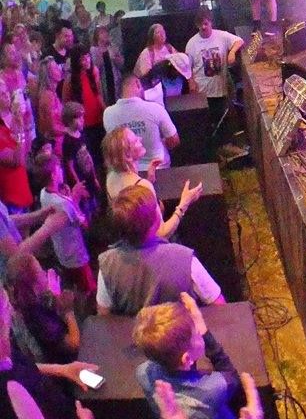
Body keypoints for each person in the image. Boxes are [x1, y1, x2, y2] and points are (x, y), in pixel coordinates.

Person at [97, 184, 222, 316]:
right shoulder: (185, 259)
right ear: (155, 221)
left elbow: (104, 316)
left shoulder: (107, 265)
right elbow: (219, 306)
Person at [134, 293, 240, 419]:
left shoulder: (142, 373)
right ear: (187, 359)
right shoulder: (213, 388)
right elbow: (232, 377)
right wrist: (204, 330)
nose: (200, 332)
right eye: (197, 334)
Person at [0, 287, 99, 419]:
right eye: (8, 307)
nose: (12, 312)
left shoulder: (5, 355)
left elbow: (21, 367)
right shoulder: (13, 391)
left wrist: (63, 369)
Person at [5, 252, 80, 365]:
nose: (45, 273)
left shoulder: (22, 303)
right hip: (64, 364)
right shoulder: (38, 318)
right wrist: (69, 311)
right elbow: (74, 343)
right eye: (41, 273)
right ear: (34, 286)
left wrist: (55, 296)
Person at [36, 155, 95, 297]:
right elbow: (84, 224)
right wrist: (75, 197)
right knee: (88, 287)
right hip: (76, 254)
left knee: (72, 282)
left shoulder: (43, 193)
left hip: (62, 251)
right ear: (53, 175)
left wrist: (68, 196)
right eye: (59, 169)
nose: (61, 171)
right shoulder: (64, 203)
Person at [103, 75, 180, 171]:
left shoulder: (108, 114)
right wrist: (161, 143)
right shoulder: (155, 108)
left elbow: (113, 148)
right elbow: (174, 140)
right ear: (138, 84)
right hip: (159, 169)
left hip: (126, 171)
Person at [185, 8, 243, 132]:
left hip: (220, 89)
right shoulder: (192, 43)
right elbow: (187, 67)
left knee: (222, 121)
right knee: (207, 124)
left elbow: (239, 41)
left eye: (205, 23)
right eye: (200, 24)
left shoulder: (221, 36)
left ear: (211, 22)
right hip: (203, 91)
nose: (203, 27)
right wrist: (191, 82)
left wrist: (232, 52)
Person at [61, 45, 106, 162]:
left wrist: (105, 111)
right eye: (83, 59)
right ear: (77, 61)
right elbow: (66, 104)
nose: (87, 61)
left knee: (101, 152)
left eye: (88, 57)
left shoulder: (94, 71)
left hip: (98, 117)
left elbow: (99, 94)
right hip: (82, 122)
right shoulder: (70, 80)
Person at [0, 83, 32, 213]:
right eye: (2, 94)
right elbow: (16, 161)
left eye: (6, 92)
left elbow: (26, 152)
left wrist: (26, 125)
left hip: (22, 188)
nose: (7, 95)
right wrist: (20, 132)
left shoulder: (12, 121)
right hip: (11, 196)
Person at [135, 23, 176, 104]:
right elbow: (145, 74)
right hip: (153, 89)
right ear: (152, 37)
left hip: (170, 85)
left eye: (163, 31)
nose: (162, 34)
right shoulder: (147, 52)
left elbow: (179, 62)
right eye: (158, 32)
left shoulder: (169, 48)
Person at [35, 58, 67, 157]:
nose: (59, 69)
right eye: (55, 68)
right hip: (55, 145)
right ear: (49, 74)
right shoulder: (48, 96)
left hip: (60, 141)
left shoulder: (52, 93)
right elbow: (51, 128)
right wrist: (69, 130)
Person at [90, 26, 122, 107]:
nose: (105, 34)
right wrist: (103, 55)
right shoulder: (94, 49)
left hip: (115, 79)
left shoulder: (113, 46)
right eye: (102, 33)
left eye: (106, 32)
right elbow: (95, 66)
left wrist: (114, 58)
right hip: (103, 80)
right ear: (96, 36)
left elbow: (121, 63)